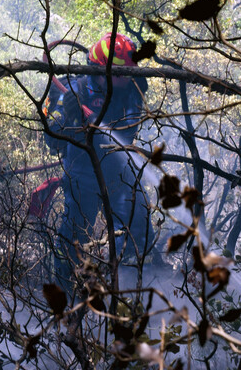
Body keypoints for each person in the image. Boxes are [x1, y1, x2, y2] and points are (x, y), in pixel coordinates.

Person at [46, 32, 156, 292]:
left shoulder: (132, 91)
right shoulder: (72, 90)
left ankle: (137, 290)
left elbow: (126, 135)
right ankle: (65, 297)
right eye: (119, 75)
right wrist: (70, 119)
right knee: (73, 239)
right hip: (82, 175)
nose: (125, 81)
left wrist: (92, 120)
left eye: (127, 74)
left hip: (119, 173)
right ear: (100, 70)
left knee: (139, 229)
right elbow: (53, 143)